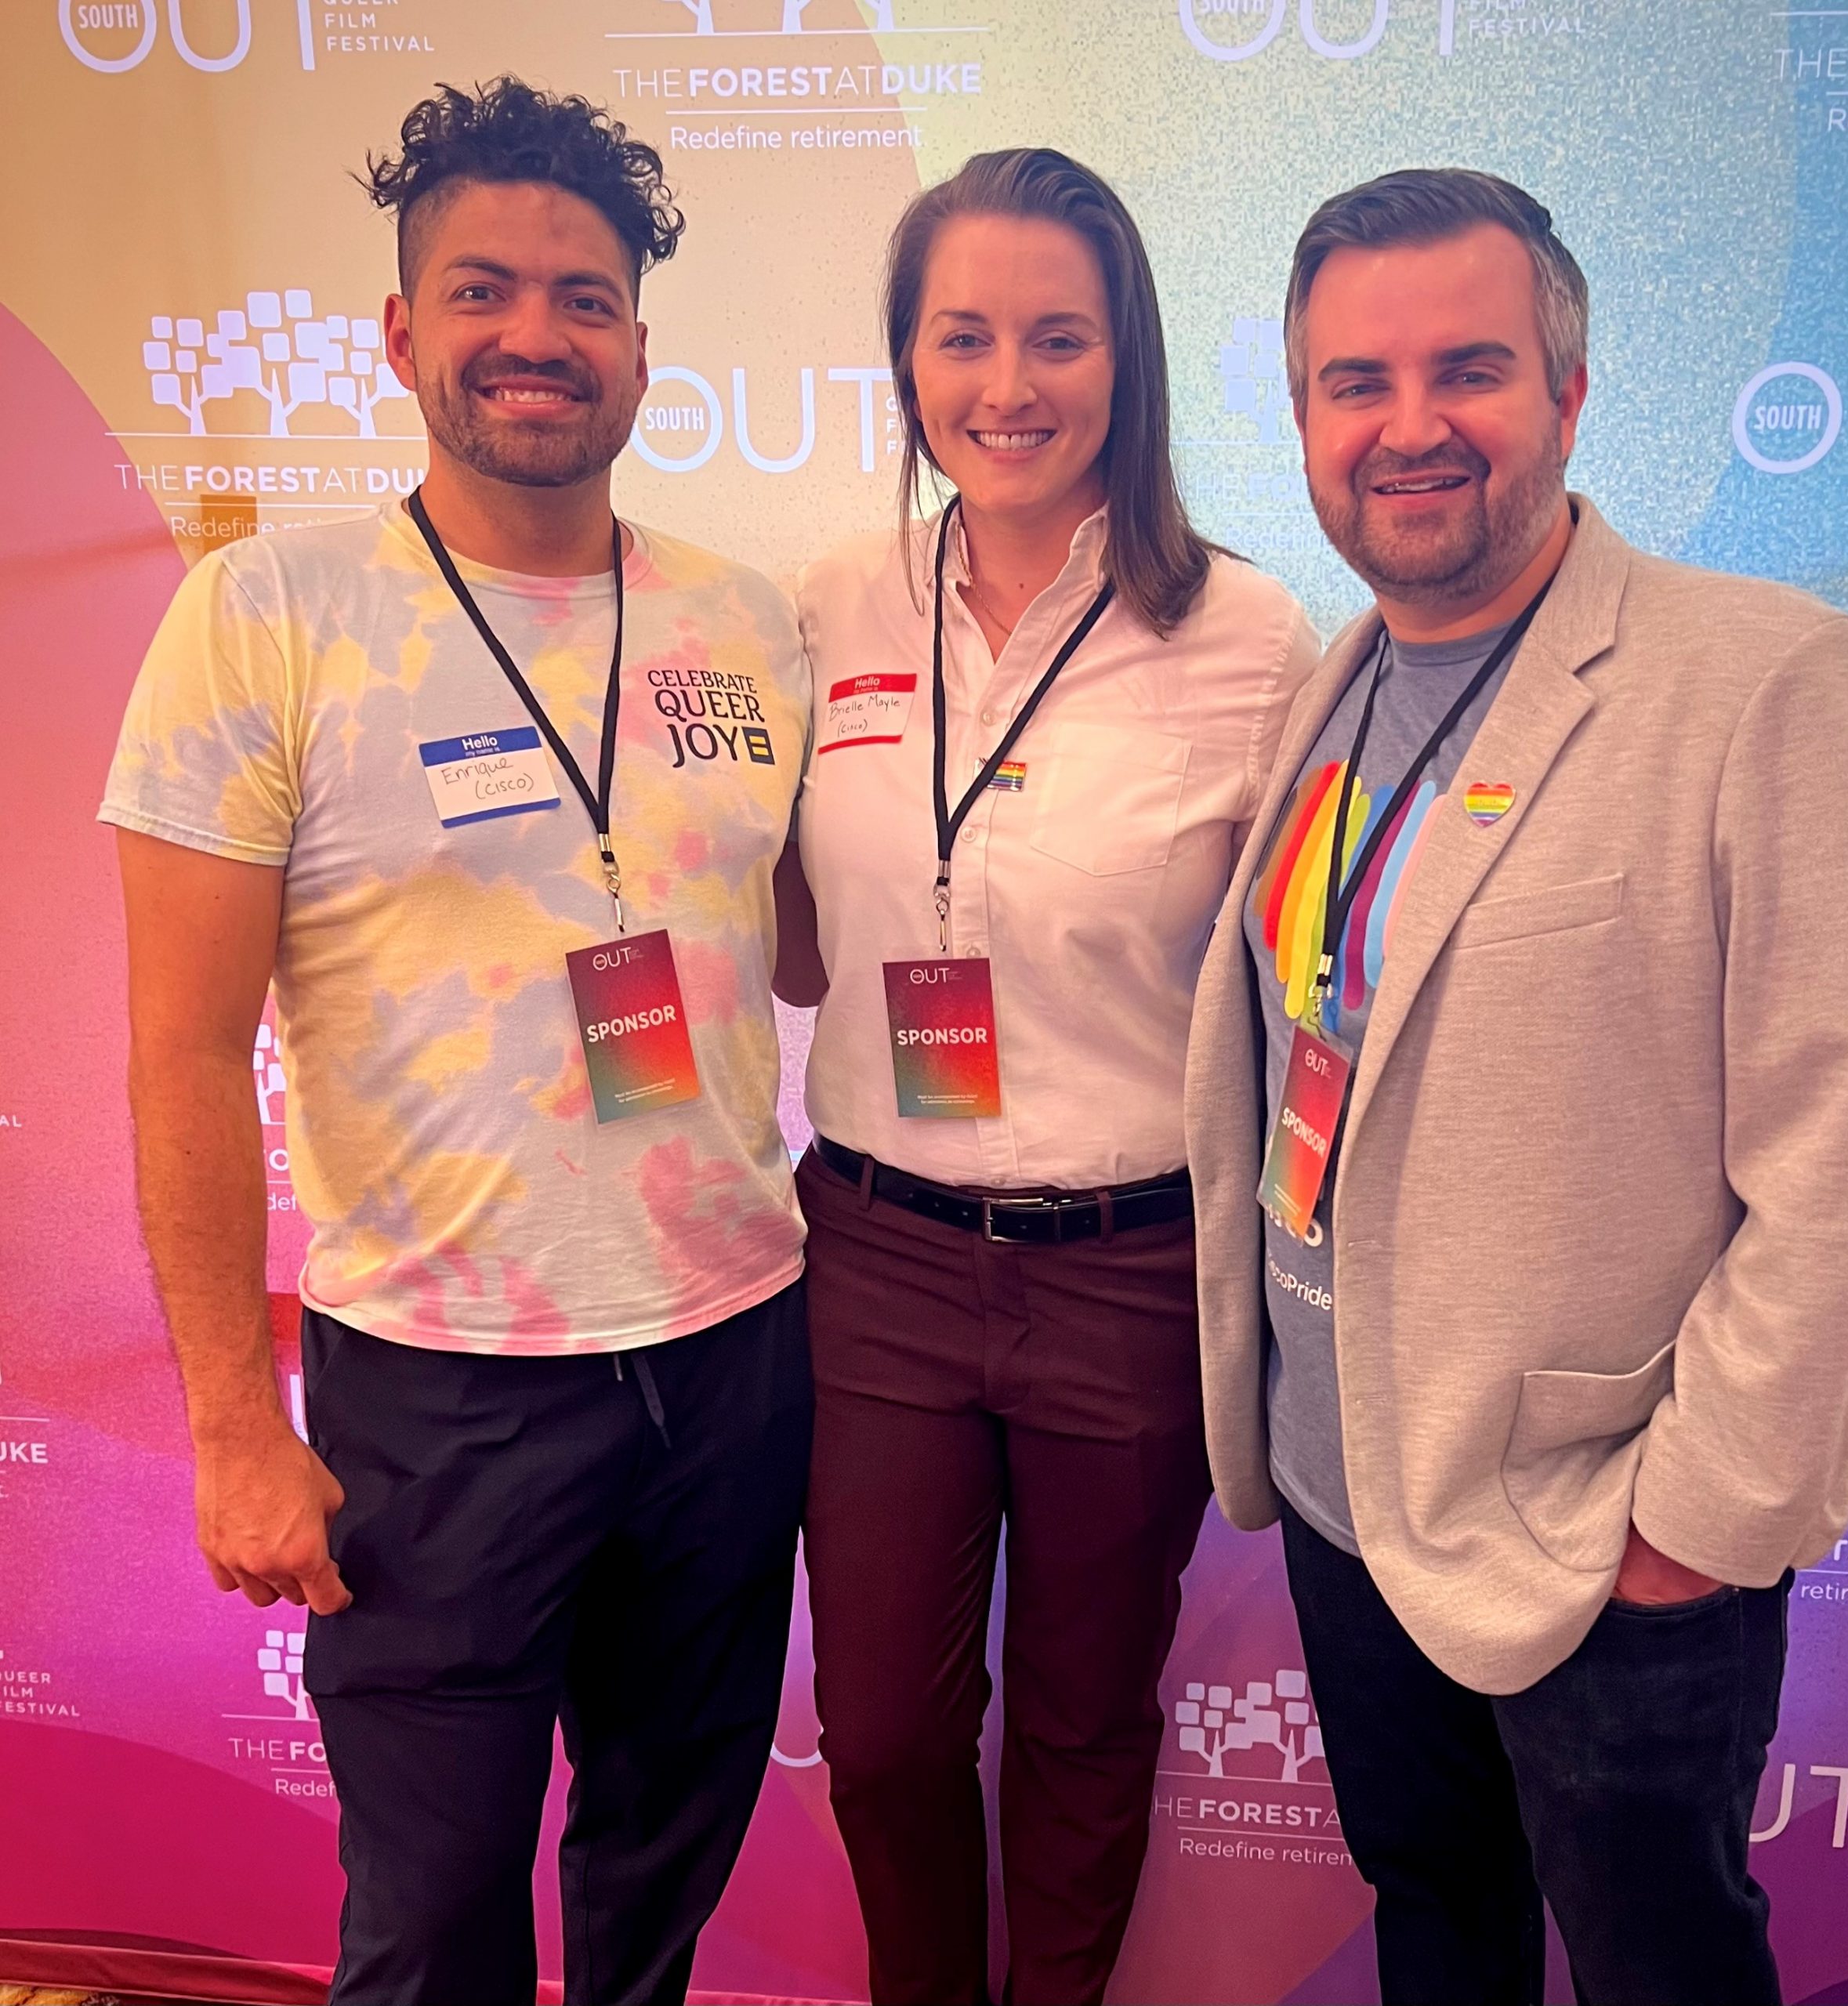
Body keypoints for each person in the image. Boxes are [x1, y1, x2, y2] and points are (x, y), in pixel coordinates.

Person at [1185, 168, 1848, 2006]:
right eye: (1351, 383)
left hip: (1598, 1528)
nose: (1407, 425)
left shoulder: (1763, 679)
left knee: (1657, 1964)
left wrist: (1691, 1526)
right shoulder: (1338, 681)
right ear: (1300, 415)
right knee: (1434, 1926)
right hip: (1341, 1486)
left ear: (1568, 387)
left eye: (1466, 368)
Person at [100, 78, 812, 2006]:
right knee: (430, 1922)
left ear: (642, 346)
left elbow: (810, 931)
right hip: (441, 1388)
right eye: (484, 291)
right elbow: (175, 1053)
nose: (535, 335)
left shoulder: (748, 625)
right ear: (404, 333)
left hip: (734, 1354)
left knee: (658, 1876)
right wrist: (236, 1431)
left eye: (583, 298)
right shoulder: (268, 617)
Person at [774, 149, 1321, 2006]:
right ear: (907, 361)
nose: (1006, 383)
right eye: (963, 336)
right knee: (886, 1740)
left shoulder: (1248, 640)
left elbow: (1306, 987)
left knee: (1086, 1722)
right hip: (877, 1254)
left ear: (1128, 359)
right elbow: (766, 920)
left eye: (1057, 337)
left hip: (1128, 1262)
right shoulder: (819, 606)